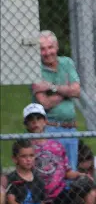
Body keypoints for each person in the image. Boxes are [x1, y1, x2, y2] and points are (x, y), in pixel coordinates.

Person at [23, 103, 96, 204]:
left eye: (39, 118)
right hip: (38, 197)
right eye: (31, 119)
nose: (35, 122)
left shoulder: (56, 145)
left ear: (45, 121)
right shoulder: (26, 148)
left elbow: (66, 171)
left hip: (58, 194)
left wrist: (80, 175)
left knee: (90, 196)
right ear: (26, 124)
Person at [33, 30, 81, 170]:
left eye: (50, 47)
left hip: (71, 129)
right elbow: (45, 104)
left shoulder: (67, 63)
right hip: (49, 129)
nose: (47, 52)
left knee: (71, 172)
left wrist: (50, 87)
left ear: (57, 47)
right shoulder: (35, 70)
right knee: (52, 173)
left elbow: (77, 91)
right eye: (42, 49)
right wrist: (66, 90)